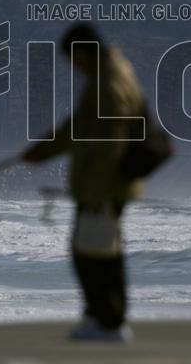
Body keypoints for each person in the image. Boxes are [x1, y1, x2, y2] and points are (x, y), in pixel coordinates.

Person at [22, 22, 145, 342]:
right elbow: (79, 128)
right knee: (100, 250)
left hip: (103, 186)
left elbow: (110, 141)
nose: (72, 66)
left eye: (72, 59)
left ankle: (108, 321)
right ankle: (105, 318)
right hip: (106, 184)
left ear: (84, 52)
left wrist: (97, 190)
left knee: (91, 254)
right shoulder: (112, 75)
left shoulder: (108, 84)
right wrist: (43, 150)